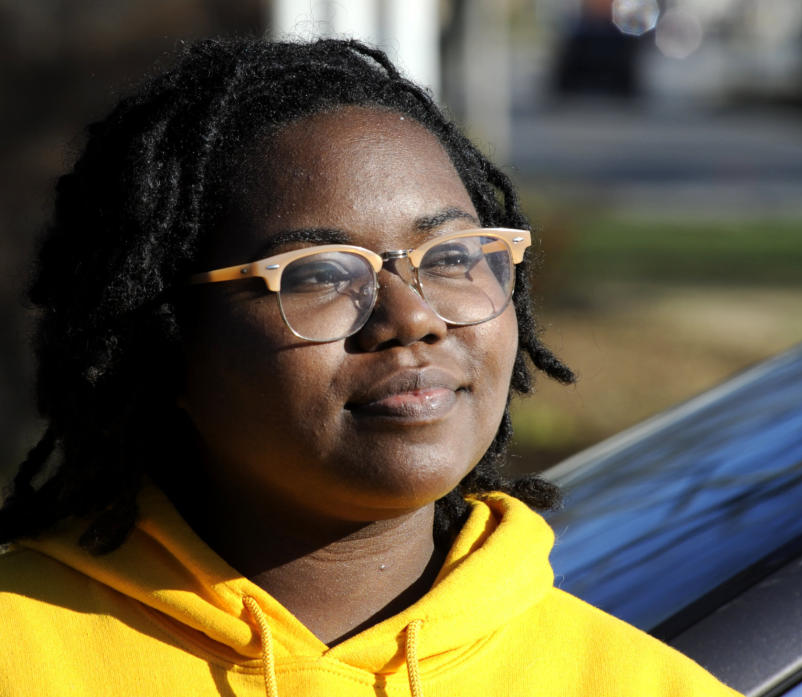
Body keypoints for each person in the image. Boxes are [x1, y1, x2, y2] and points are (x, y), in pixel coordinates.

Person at [0, 38, 741, 696]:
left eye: (451, 257)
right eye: (319, 273)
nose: (413, 317)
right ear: (163, 335)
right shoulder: (25, 649)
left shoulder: (640, 682)